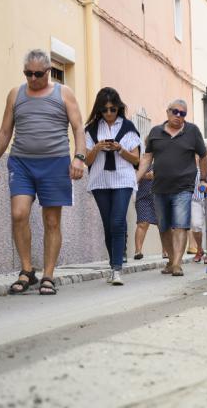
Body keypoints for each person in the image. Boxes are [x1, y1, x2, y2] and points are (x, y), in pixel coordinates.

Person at [0, 49, 86, 295]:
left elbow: (78, 128)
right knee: (19, 214)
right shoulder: (15, 94)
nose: (32, 78)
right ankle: (27, 270)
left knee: (51, 221)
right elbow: (5, 132)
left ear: (48, 72)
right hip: (22, 163)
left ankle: (48, 275)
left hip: (55, 163)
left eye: (37, 74)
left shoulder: (63, 93)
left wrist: (79, 158)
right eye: (28, 73)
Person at [136, 99, 207, 276]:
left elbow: (204, 156)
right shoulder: (155, 132)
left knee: (180, 225)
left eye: (182, 113)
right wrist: (136, 178)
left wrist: (204, 179)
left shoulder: (192, 131)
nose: (178, 116)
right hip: (159, 187)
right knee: (164, 226)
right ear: (167, 112)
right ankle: (170, 261)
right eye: (175, 112)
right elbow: (147, 157)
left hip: (183, 187)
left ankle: (177, 263)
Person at [84, 87, 140, 286]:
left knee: (117, 222)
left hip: (123, 180)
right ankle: (113, 264)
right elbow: (86, 160)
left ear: (119, 108)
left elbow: (136, 159)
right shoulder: (91, 129)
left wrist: (120, 149)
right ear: (99, 109)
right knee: (108, 225)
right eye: (105, 109)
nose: (109, 113)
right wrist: (98, 147)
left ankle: (117, 269)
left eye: (113, 109)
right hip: (100, 181)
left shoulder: (128, 127)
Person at [133, 136, 160, 261]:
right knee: (142, 223)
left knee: (163, 225)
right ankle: (138, 251)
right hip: (143, 195)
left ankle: (166, 251)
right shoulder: (142, 158)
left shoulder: (163, 158)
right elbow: (133, 174)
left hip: (159, 196)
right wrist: (144, 176)